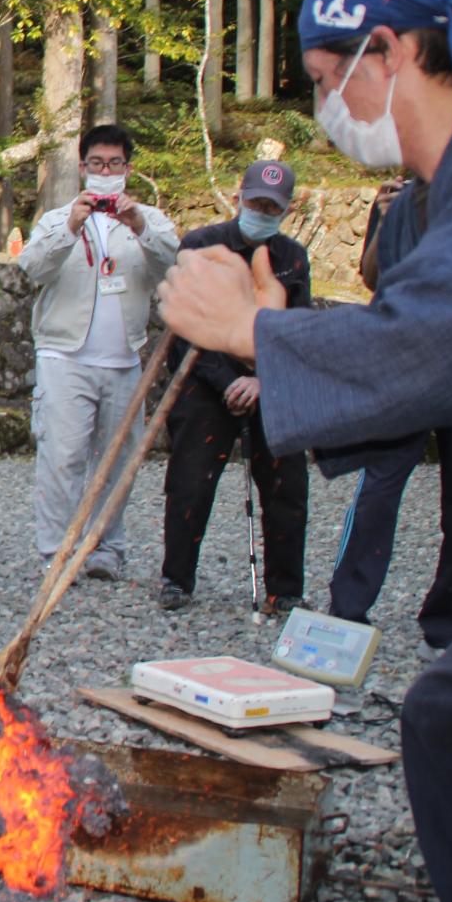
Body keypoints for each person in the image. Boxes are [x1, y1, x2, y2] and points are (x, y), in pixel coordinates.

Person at [156, 0, 452, 902]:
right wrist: (280, 330)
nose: (325, 106)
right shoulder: (437, 193)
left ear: (384, 51)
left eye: (327, 80)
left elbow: (434, 343)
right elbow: (411, 362)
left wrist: (253, 335)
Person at [16, 124, 180, 579]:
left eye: (114, 164)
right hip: (63, 358)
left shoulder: (149, 219)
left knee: (116, 458)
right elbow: (31, 268)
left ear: (127, 169)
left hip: (125, 360)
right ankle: (56, 549)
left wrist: (140, 225)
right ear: (83, 167)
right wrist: (72, 226)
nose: (105, 172)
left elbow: (174, 262)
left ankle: (107, 546)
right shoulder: (56, 217)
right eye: (96, 164)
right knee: (61, 456)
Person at [326, 178, 452, 649]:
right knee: (380, 484)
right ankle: (349, 605)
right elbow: (372, 276)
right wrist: (388, 221)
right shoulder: (399, 196)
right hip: (403, 358)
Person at [157, 161, 312, 614]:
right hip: (205, 375)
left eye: (272, 206)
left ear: (286, 209)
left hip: (270, 379)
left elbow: (296, 331)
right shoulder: (202, 245)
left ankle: (285, 588)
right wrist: (228, 380)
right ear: (238, 196)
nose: (262, 211)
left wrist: (262, 379)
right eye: (256, 202)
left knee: (287, 486)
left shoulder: (293, 258)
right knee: (190, 481)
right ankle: (176, 579)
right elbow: (184, 329)